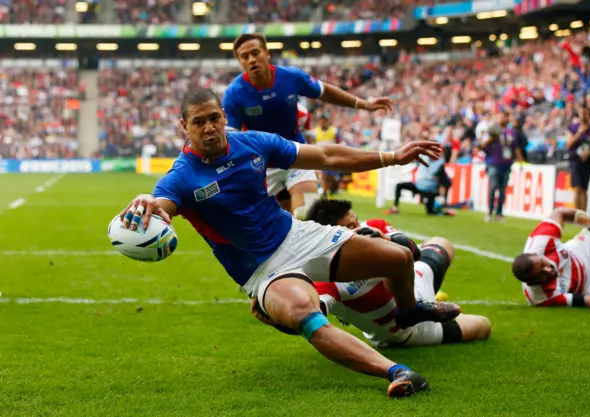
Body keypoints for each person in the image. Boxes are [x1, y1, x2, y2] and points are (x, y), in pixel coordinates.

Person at [119, 87, 452, 398]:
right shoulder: (182, 175)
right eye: (198, 122)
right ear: (184, 126)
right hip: (263, 270)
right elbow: (163, 203)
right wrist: (149, 201)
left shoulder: (253, 143)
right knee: (306, 314)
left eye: (213, 118)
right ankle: (396, 372)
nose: (208, 127)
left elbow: (326, 156)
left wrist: (392, 157)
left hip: (297, 235)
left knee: (396, 257)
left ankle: (408, 312)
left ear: (224, 116)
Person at [266, 199, 490, 348]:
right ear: (330, 236)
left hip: (412, 287)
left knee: (442, 244)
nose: (359, 228)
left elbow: (415, 253)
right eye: (350, 226)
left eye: (356, 221)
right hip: (401, 329)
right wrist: (275, 317)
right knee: (482, 325)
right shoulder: (326, 278)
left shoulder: (373, 227)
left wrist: (386, 240)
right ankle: (412, 313)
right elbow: (307, 319)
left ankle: (418, 304)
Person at [222, 33, 392, 220]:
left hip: (297, 156)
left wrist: (363, 104)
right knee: (279, 227)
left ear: (267, 53)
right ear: (240, 62)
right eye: (245, 57)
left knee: (307, 213)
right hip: (262, 165)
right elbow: (231, 141)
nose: (252, 60)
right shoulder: (234, 94)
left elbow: (324, 92)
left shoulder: (290, 77)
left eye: (255, 53)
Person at [511, 198, 590, 308]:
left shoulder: (541, 241)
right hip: (589, 283)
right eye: (541, 276)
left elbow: (560, 212)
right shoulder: (541, 296)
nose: (548, 270)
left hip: (583, 249)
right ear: (531, 283)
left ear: (536, 255)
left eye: (543, 264)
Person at [481, 111, 524, 223]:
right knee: (493, 186)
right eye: (500, 116)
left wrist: (520, 161)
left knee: (502, 189)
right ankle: (490, 211)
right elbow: (483, 145)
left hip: (506, 164)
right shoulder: (492, 130)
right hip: (494, 163)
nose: (502, 118)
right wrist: (492, 137)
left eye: (504, 116)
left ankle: (499, 213)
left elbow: (516, 148)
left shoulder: (511, 132)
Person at [566, 107, 590, 211]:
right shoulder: (573, 127)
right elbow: (569, 144)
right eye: (581, 113)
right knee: (577, 187)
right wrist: (579, 133)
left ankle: (582, 214)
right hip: (575, 160)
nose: (583, 116)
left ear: (589, 115)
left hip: (587, 161)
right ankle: (575, 214)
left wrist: (589, 153)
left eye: (585, 113)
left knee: (584, 189)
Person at [314, 114, 341, 198]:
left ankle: (329, 191)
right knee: (324, 177)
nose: (321, 122)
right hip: (321, 158)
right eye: (320, 120)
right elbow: (312, 144)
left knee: (331, 178)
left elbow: (338, 142)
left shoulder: (334, 131)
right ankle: (325, 194)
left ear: (326, 121)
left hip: (332, 157)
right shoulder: (315, 132)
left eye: (323, 120)